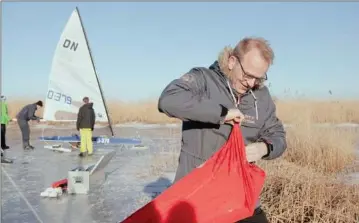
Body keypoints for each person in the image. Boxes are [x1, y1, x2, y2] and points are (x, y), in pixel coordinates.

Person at [158, 37, 287, 223]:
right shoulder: (203, 80)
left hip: (239, 196)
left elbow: (278, 136)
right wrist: (222, 113)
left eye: (258, 78)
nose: (251, 83)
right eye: (248, 75)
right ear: (232, 61)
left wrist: (264, 148)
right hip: (197, 195)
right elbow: (168, 100)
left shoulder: (262, 97)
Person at [1, 95, 12, 164]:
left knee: (2, 135)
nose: (5, 100)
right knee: (2, 135)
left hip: (3, 122)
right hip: (1, 122)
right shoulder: (3, 104)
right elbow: (4, 114)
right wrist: (9, 119)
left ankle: (3, 145)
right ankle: (2, 146)